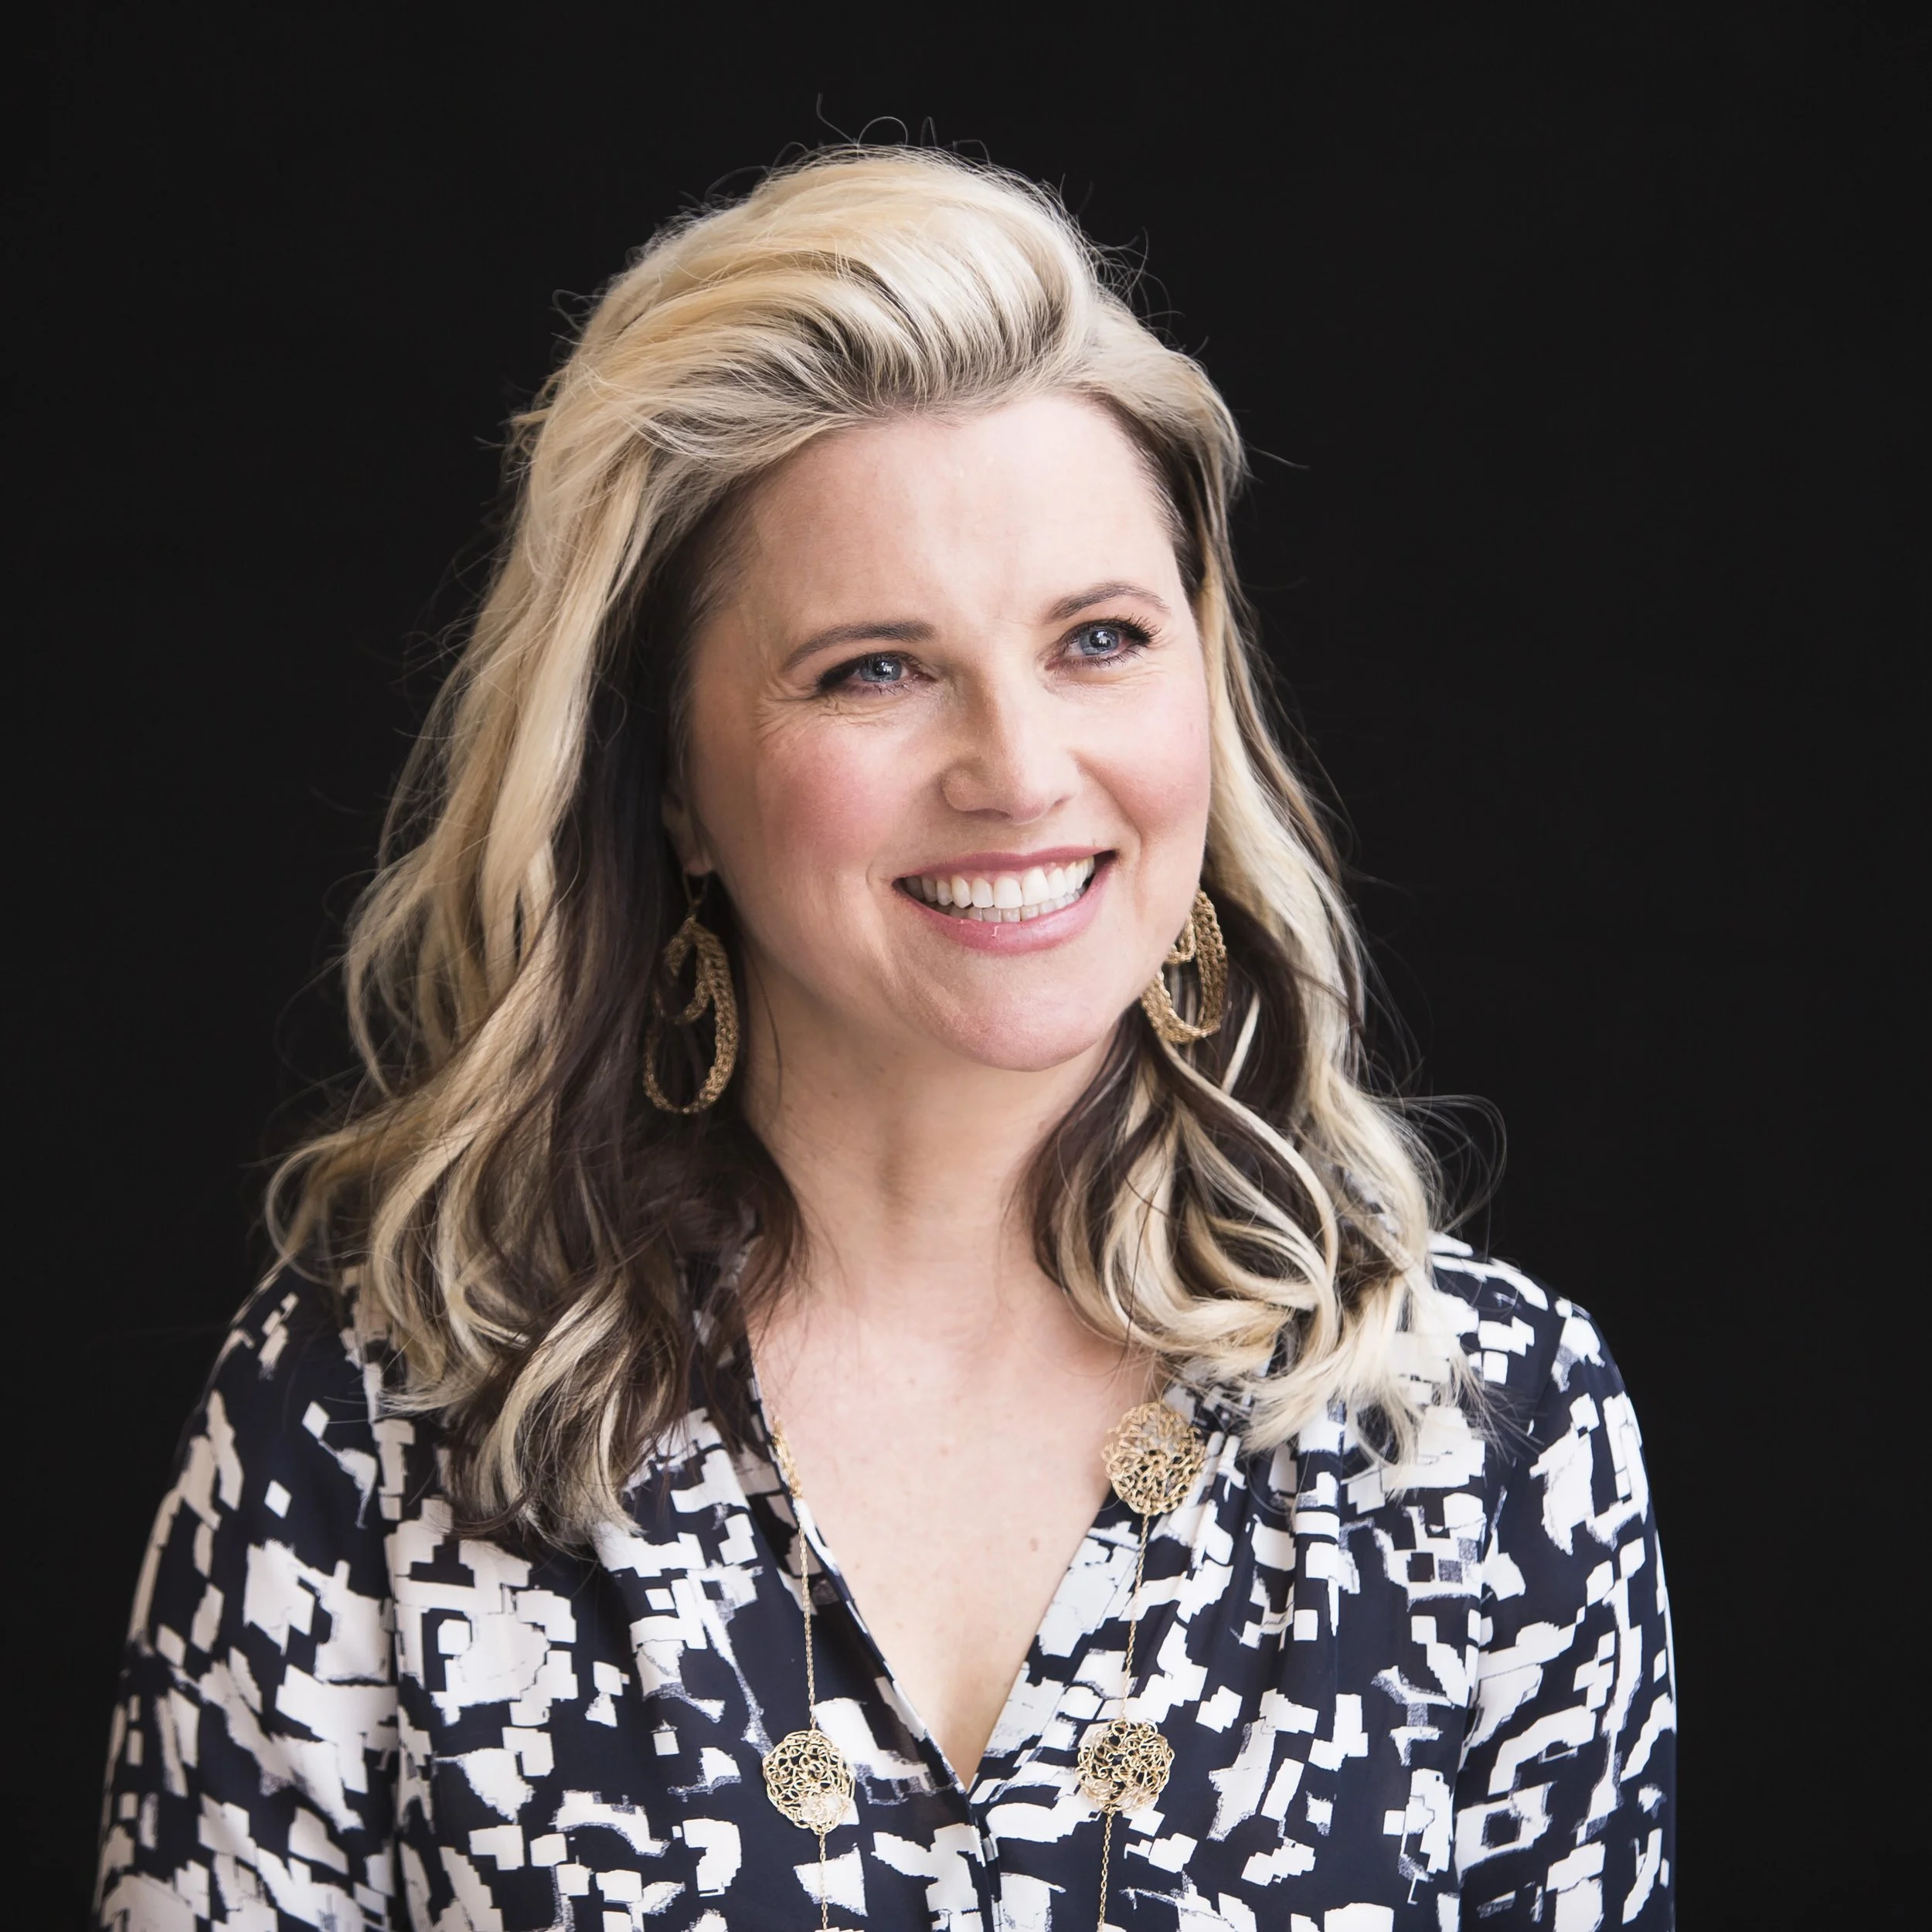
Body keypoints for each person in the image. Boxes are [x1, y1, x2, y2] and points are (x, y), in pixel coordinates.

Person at [95, 148, 1675, 1932]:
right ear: (668, 776)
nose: (1017, 769)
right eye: (873, 667)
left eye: (1098, 638)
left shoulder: (1480, 1429)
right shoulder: (364, 1421)